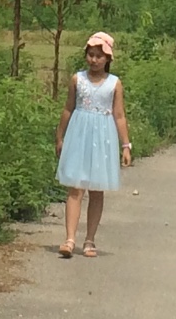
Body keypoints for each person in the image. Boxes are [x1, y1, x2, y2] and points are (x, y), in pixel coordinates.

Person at [53, 31, 133, 257]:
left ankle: (89, 240)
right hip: (79, 134)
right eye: (91, 54)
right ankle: (69, 239)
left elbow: (119, 115)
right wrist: (60, 137)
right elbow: (68, 108)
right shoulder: (78, 80)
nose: (94, 60)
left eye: (99, 56)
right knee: (75, 188)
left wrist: (125, 145)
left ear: (108, 59)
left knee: (96, 190)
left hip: (103, 137)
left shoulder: (114, 84)